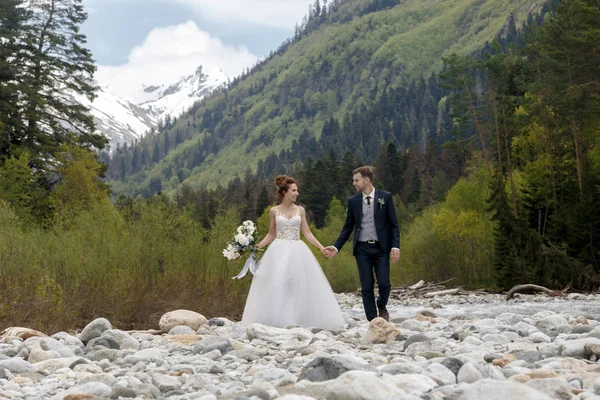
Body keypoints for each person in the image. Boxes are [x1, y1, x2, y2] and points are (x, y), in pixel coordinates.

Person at [241, 175, 345, 330]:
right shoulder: (273, 211)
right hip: (278, 250)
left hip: (297, 249)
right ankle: (279, 319)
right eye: (294, 190)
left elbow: (307, 233)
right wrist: (256, 245)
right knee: (279, 283)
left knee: (298, 283)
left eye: (297, 190)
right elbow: (271, 234)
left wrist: (321, 247)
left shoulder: (300, 210)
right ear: (285, 192)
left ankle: (297, 319)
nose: (297, 193)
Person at [324, 166, 400, 322]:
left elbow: (394, 224)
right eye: (353, 180)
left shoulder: (385, 197)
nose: (354, 183)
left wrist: (395, 245)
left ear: (367, 180)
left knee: (385, 284)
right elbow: (348, 227)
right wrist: (336, 246)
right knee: (366, 287)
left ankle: (381, 304)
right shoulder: (353, 201)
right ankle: (373, 321)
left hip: (381, 248)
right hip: (362, 249)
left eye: (356, 180)